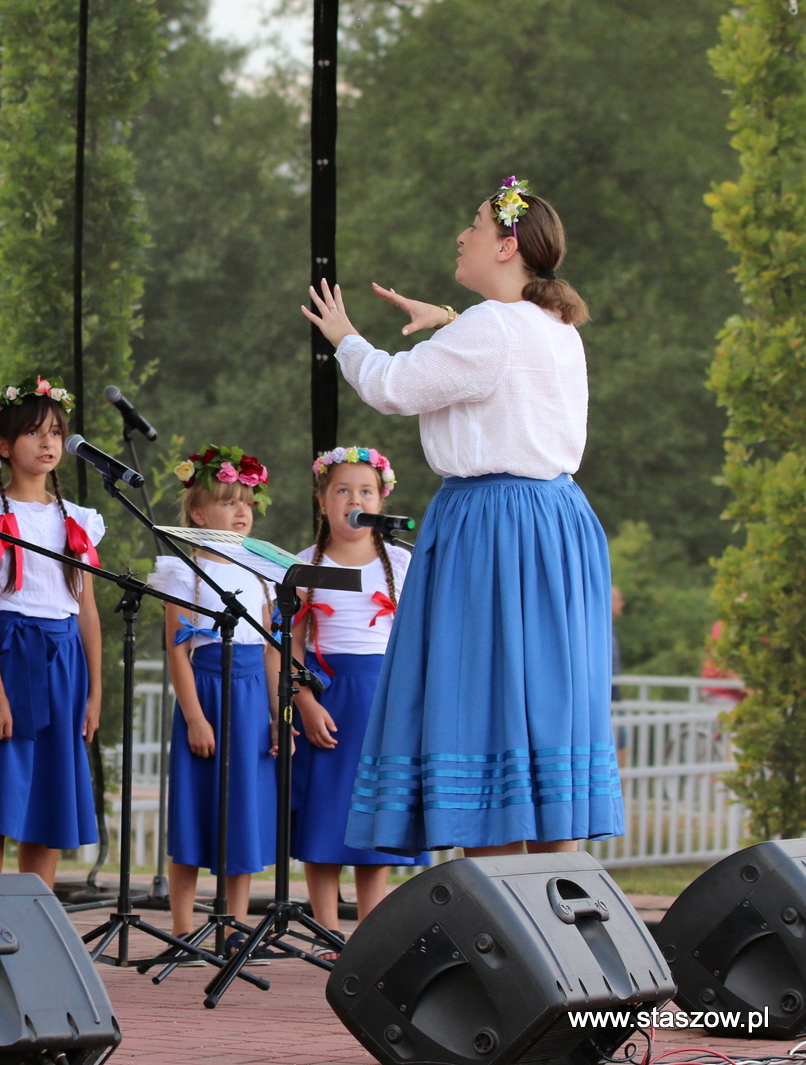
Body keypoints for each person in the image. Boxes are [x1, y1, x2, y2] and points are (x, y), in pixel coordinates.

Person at [301, 176, 622, 857]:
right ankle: (556, 917)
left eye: (474, 225)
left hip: (492, 527)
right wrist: (451, 320)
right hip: (558, 523)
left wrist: (346, 336)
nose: (462, 235)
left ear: (507, 246)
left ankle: (498, 917)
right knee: (544, 708)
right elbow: (497, 364)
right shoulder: (554, 325)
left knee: (483, 702)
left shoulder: (492, 328)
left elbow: (392, 387)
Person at [0, 376, 102, 888]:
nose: (48, 443)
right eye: (33, 433)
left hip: (64, 662)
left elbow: (87, 610)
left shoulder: (80, 520)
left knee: (46, 809)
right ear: (5, 446)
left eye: (55, 432)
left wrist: (95, 692)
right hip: (8, 655)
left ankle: (35, 925)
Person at [288, 446, 426, 944]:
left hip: (383, 699)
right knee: (326, 813)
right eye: (342, 490)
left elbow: (418, 640)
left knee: (375, 815)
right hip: (327, 696)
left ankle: (370, 936)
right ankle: (326, 931)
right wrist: (304, 702)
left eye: (365, 490)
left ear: (381, 499)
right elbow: (290, 642)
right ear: (322, 500)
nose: (353, 499)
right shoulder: (304, 565)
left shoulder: (402, 562)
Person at [154, 445, 279, 951]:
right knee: (193, 807)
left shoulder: (261, 571)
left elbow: (272, 650)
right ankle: (183, 926)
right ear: (199, 513)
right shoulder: (185, 573)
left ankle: (233, 927)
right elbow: (178, 652)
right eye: (229, 502)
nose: (241, 511)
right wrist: (194, 718)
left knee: (244, 811)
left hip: (253, 700)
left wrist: (278, 716)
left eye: (247, 501)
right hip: (206, 693)